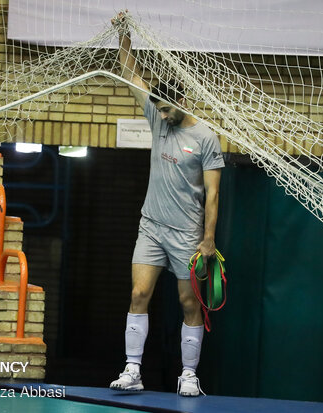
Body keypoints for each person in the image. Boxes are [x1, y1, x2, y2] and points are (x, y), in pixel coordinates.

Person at [109, 11, 224, 397]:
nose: (161, 114)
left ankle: (189, 374)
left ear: (182, 100)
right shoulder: (158, 115)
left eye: (166, 108)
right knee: (138, 294)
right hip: (151, 227)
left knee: (188, 302)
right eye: (157, 108)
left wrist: (208, 241)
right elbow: (130, 72)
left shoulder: (207, 138)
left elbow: (213, 193)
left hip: (187, 235)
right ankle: (132, 369)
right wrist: (124, 36)